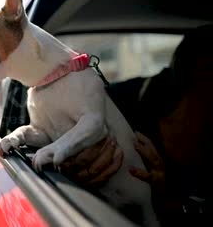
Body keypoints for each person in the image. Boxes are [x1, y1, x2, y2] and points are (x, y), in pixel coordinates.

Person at [59, 24, 213, 226]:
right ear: (194, 74)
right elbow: (63, 139)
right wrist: (76, 166)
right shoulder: (116, 105)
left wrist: (171, 201)